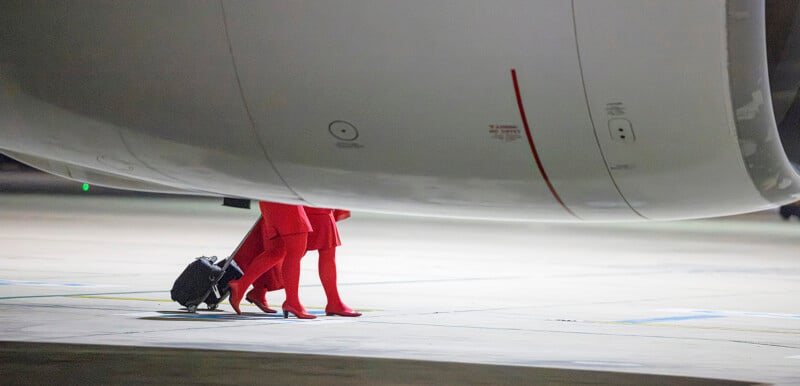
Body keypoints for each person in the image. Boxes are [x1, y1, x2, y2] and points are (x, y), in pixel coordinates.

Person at [247, 206, 361, 317]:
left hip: (314, 200)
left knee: (303, 250)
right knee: (295, 251)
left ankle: (332, 301)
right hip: (308, 201)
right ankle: (325, 301)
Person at [229, 202, 316, 319]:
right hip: (286, 200)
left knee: (276, 251)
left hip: (271, 202)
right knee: (295, 250)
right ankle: (292, 302)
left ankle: (241, 285)